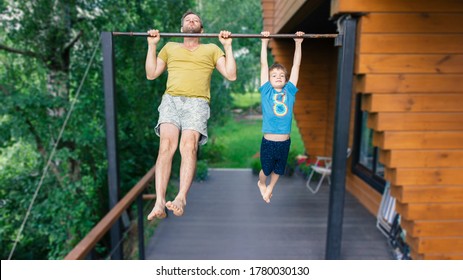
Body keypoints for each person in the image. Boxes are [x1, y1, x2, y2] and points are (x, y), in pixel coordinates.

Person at [145, 11, 237, 220]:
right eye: (188, 20)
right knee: (166, 146)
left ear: (201, 30)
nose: (192, 22)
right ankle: (159, 201)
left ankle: (181, 198)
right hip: (171, 100)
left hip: (197, 102)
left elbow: (231, 75)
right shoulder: (169, 48)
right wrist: (152, 45)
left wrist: (228, 46)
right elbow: (151, 74)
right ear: (181, 29)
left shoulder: (211, 49)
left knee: (188, 146)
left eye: (196, 20)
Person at [257, 31, 304, 203]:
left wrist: (298, 43)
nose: (278, 77)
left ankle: (270, 187)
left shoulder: (289, 91)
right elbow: (263, 65)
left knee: (279, 169)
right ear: (269, 80)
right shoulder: (266, 91)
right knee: (266, 170)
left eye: (281, 76)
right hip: (269, 142)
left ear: (286, 80)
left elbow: (296, 67)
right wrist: (264, 42)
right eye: (274, 75)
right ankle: (262, 183)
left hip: (284, 141)